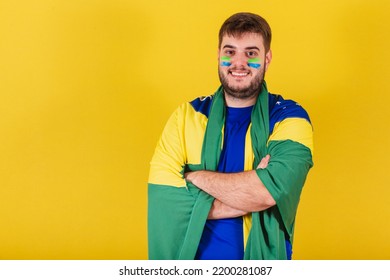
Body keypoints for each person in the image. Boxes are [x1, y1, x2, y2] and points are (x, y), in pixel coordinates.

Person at [147, 12, 313, 260]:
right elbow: (164, 202)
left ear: (266, 59)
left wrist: (194, 178)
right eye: (230, 51)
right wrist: (253, 187)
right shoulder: (185, 117)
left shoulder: (289, 118)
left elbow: (267, 193)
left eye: (251, 53)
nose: (238, 63)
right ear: (218, 55)